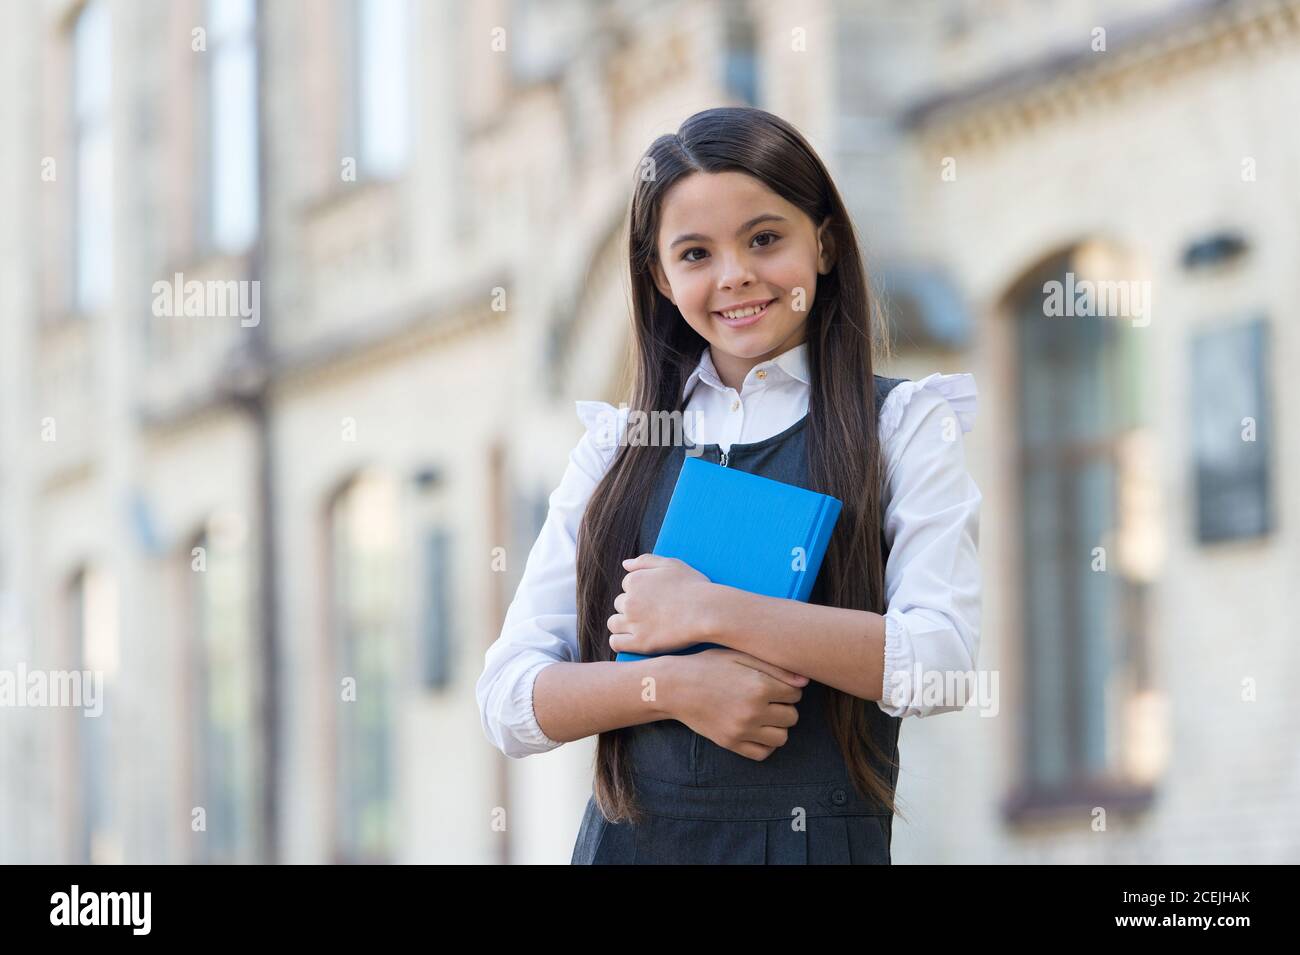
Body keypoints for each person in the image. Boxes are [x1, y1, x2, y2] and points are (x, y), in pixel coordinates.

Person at [476, 106, 982, 864]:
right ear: (660, 275)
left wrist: (708, 608)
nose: (735, 274)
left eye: (765, 238)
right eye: (695, 252)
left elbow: (939, 663)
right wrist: (676, 686)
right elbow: (509, 700)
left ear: (825, 241)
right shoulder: (617, 446)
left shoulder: (902, 426)